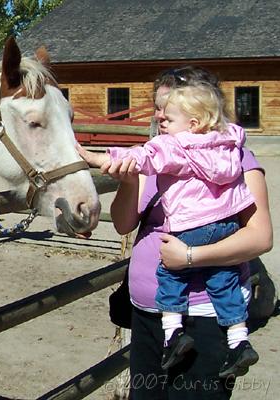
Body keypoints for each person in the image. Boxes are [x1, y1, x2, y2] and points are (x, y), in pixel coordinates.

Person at [78, 66, 273, 399]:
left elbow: (260, 237)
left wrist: (191, 256)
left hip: (203, 318)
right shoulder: (156, 157)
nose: (159, 116)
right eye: (157, 107)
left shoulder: (236, 158)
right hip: (148, 316)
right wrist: (127, 182)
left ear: (197, 114)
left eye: (167, 108)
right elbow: (124, 224)